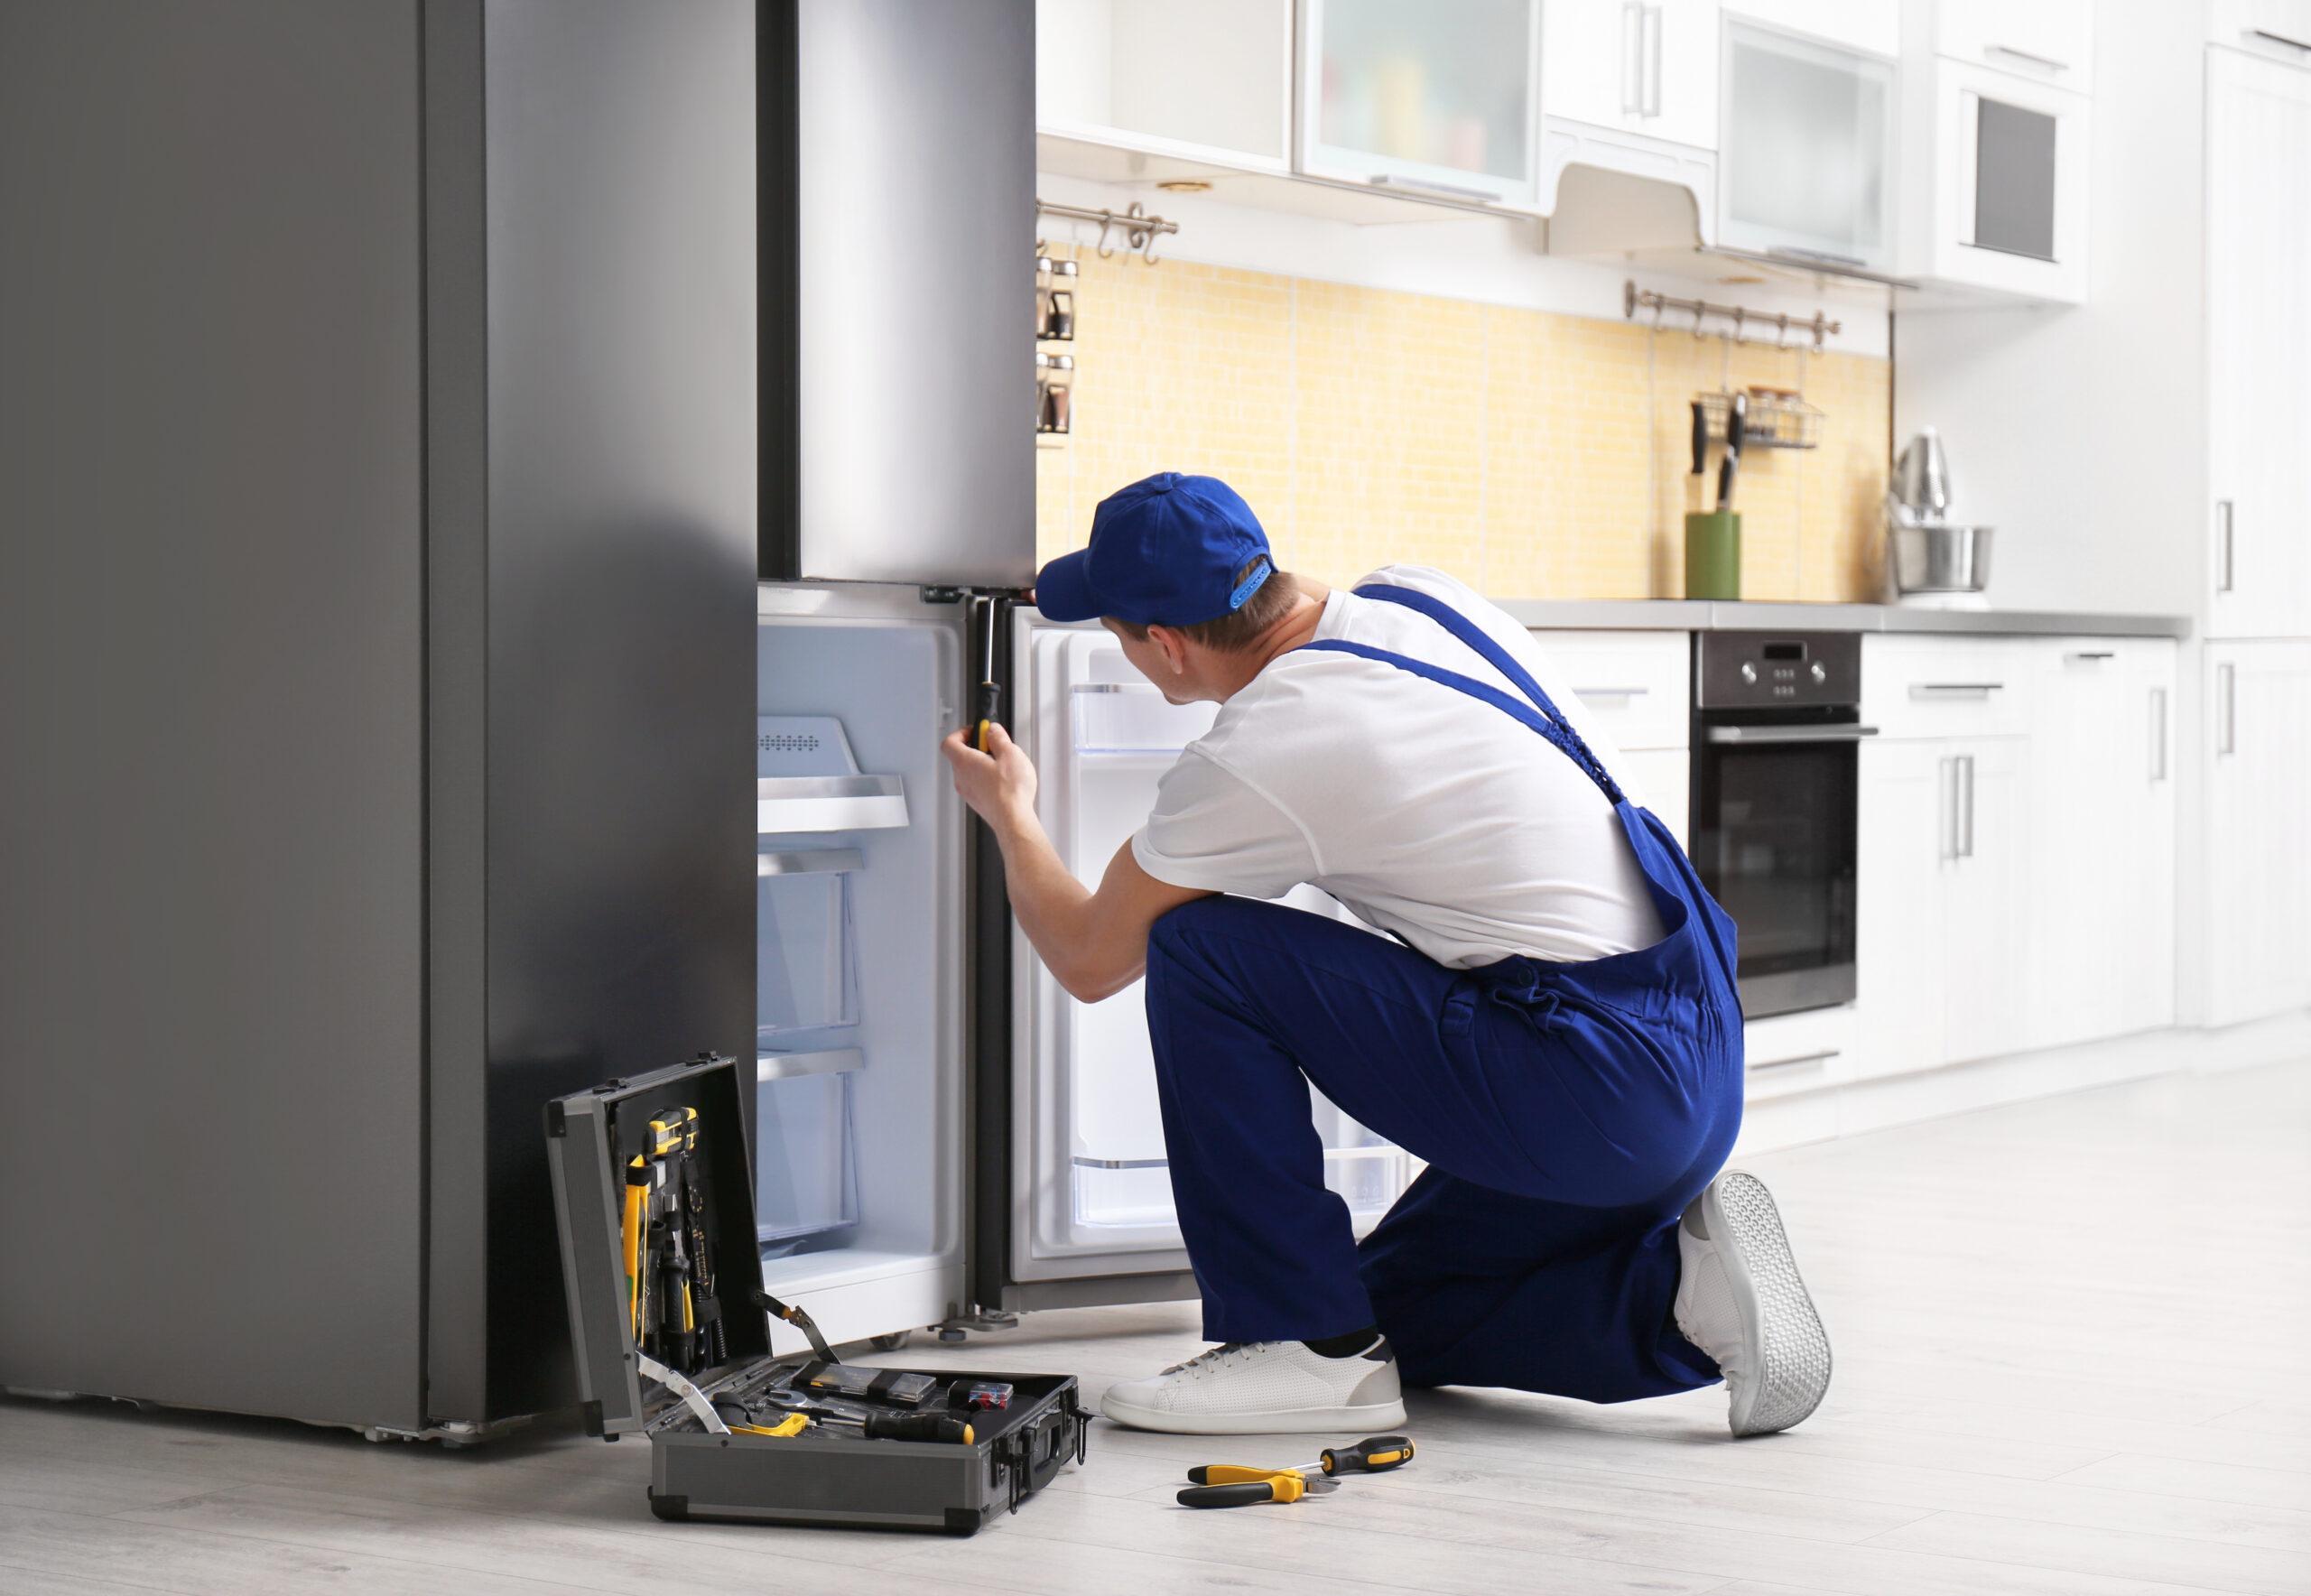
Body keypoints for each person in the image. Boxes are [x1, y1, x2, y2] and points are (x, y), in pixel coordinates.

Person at [941, 471, 1831, 1438]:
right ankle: (1683, 1303)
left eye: (1119, 634)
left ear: (1164, 644)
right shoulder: (1419, 596)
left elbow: (1087, 956)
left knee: (1200, 948)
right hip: (1691, 1052)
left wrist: (1012, 814)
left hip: (1592, 1087)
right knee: (1382, 1314)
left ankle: (1296, 1343)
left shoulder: (1265, 745)